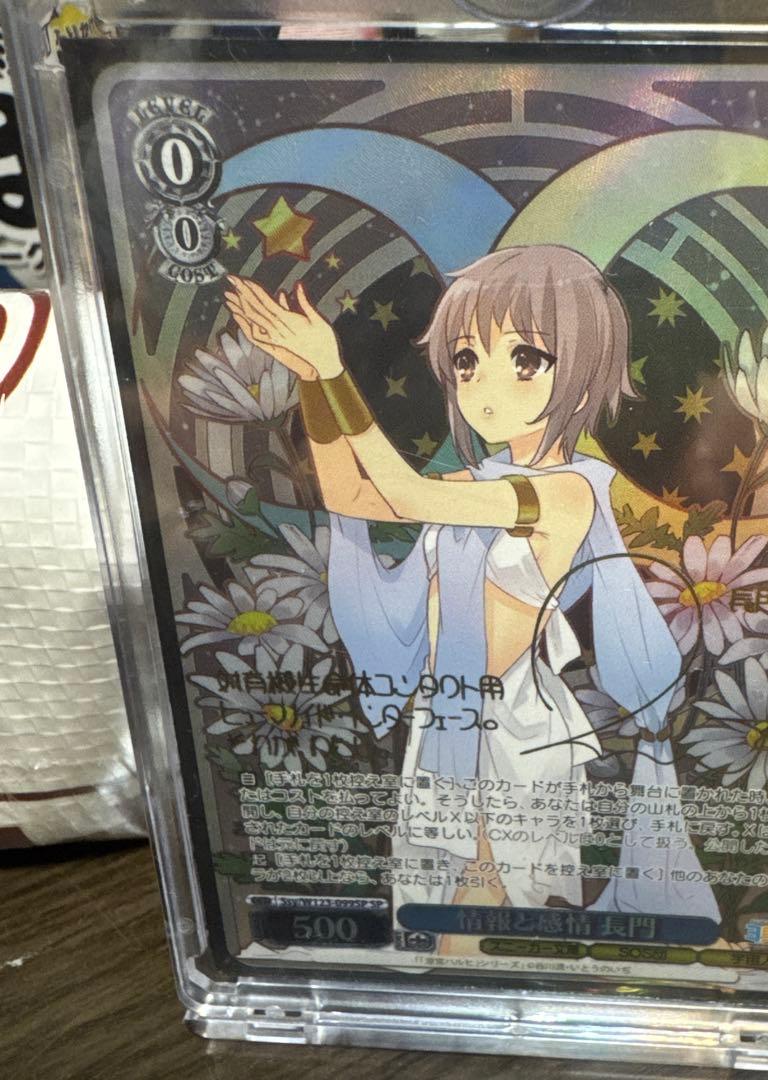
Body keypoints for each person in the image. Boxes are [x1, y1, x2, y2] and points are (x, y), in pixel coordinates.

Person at [225, 245, 722, 943]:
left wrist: (336, 372)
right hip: (448, 719)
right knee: (438, 905)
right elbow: (352, 496)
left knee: (502, 913)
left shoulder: (567, 492)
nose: (486, 385)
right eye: (466, 360)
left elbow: (406, 494)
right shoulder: (479, 483)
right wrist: (312, 381)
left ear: (583, 381)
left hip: (514, 727)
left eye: (526, 360)